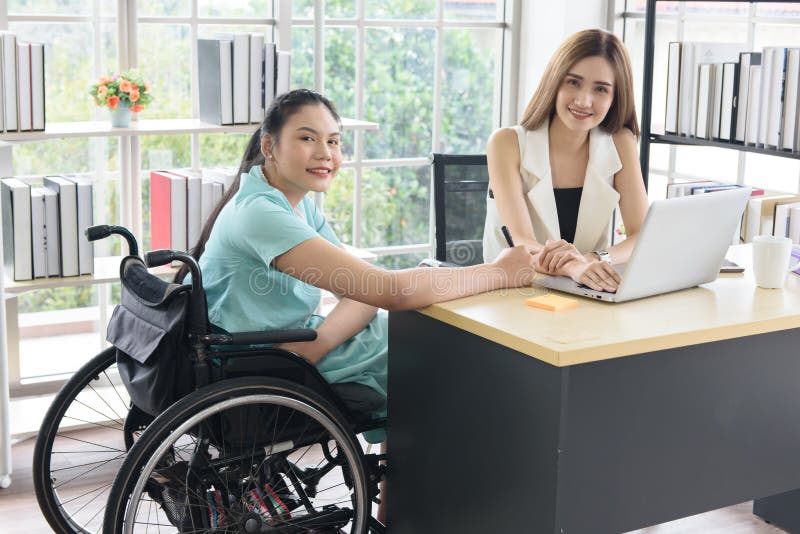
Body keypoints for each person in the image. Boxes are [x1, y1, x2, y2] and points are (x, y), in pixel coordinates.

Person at [184, 88, 536, 523]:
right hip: (262, 360)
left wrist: (321, 342)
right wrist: (500, 273)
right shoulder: (261, 213)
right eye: (308, 138)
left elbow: (365, 294)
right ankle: (432, 510)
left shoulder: (294, 204)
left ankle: (397, 512)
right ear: (269, 145)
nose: (325, 153)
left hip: (291, 345)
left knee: (412, 341)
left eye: (333, 141)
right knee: (434, 363)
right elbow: (388, 291)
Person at [482, 29, 649, 293]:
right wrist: (574, 266)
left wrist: (593, 259)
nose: (584, 100)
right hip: (512, 291)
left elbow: (642, 236)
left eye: (601, 89)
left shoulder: (620, 142)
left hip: (584, 291)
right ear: (555, 81)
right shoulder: (506, 143)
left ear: (615, 97)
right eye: (573, 82)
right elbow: (522, 243)